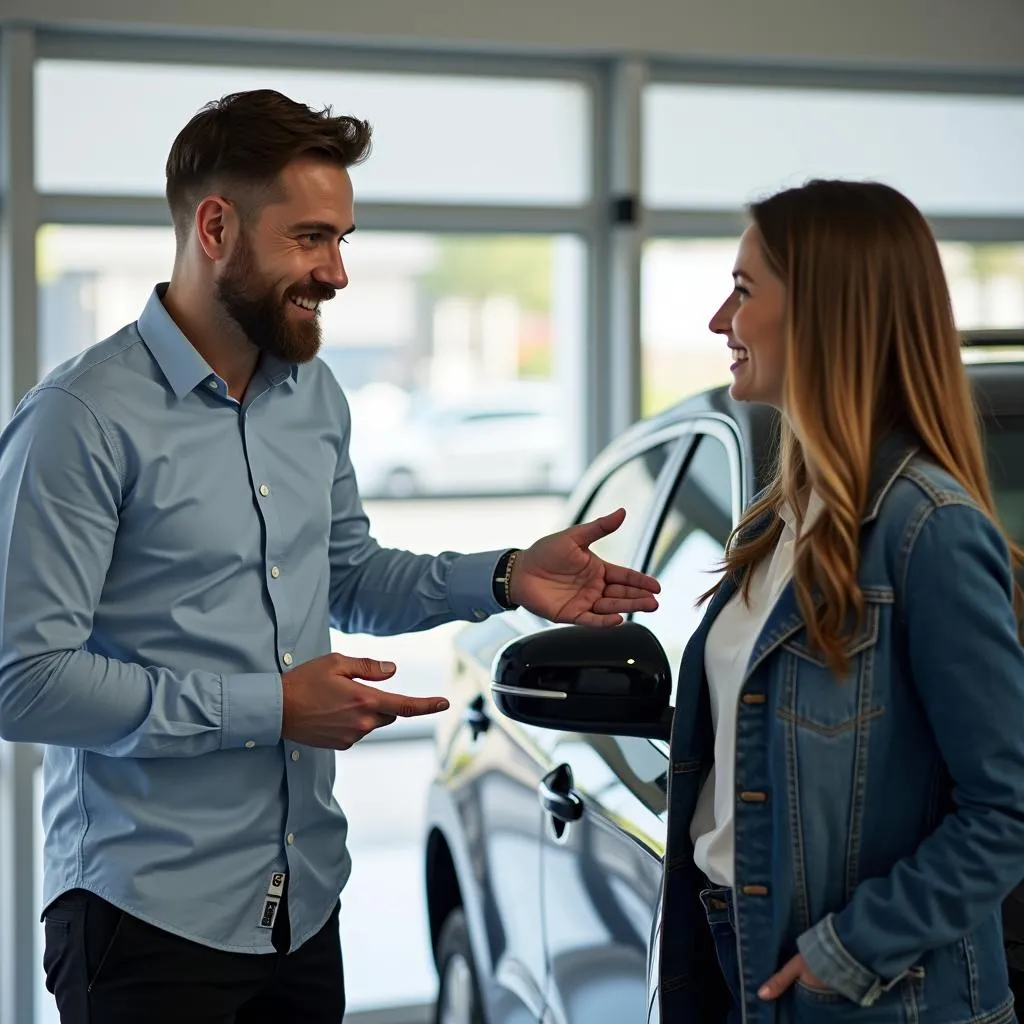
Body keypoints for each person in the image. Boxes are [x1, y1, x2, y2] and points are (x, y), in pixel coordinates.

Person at [0, 88, 661, 1024]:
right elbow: (23, 682)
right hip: (143, 924)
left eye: (343, 239)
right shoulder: (80, 419)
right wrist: (272, 707)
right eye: (312, 238)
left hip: (303, 905)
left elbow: (347, 576)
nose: (338, 272)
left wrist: (507, 574)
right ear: (216, 227)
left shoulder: (313, 396)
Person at [657, 179, 1024, 1024]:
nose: (721, 321)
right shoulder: (784, 516)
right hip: (731, 951)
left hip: (869, 996)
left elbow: (1005, 807)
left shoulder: (925, 530)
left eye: (744, 292)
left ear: (825, 313)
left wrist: (848, 950)